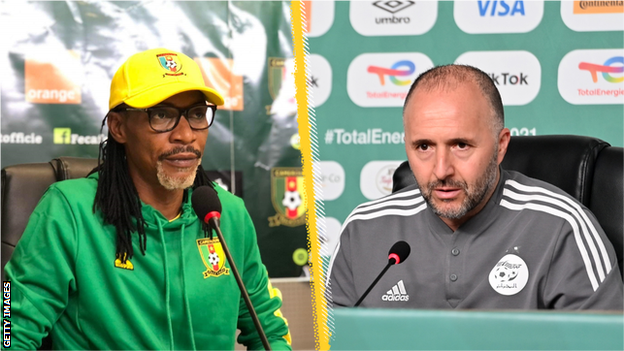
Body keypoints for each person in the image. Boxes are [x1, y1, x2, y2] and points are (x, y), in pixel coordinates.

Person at [6, 48, 292, 350]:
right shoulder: (69, 211)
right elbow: (10, 332)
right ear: (118, 127)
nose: (185, 135)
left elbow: (270, 334)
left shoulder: (226, 215)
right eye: (162, 115)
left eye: (196, 114)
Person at [328, 64, 624, 310]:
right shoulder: (363, 230)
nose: (441, 170)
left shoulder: (564, 227)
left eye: (460, 145)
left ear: (500, 146)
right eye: (424, 146)